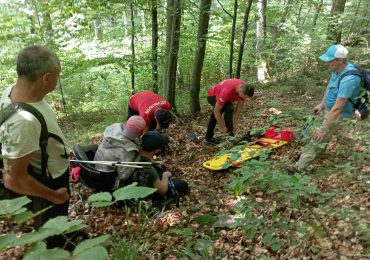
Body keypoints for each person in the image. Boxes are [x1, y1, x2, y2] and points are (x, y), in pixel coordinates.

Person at [0, 45, 74, 248]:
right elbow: (13, 179)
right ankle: (56, 248)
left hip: (52, 170)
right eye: (57, 75)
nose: (57, 80)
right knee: (50, 230)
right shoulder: (23, 122)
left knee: (58, 224)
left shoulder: (13, 92)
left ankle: (63, 239)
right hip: (48, 184)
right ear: (46, 79)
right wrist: (54, 196)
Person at [289, 44, 361, 172]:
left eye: (329, 60)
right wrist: (322, 104)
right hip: (330, 110)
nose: (326, 63)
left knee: (318, 137)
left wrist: (323, 128)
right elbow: (330, 86)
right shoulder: (336, 70)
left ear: (340, 60)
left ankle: (298, 168)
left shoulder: (350, 79)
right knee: (342, 138)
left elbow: (338, 108)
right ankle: (350, 158)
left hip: (340, 114)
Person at [128, 131, 189, 199]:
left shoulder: (135, 151)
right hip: (148, 191)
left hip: (136, 184)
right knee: (183, 185)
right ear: (156, 150)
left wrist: (155, 161)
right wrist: (165, 175)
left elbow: (149, 156)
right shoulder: (149, 169)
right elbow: (163, 190)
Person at [94, 115, 146, 189]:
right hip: (106, 178)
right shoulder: (128, 150)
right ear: (141, 133)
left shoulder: (114, 128)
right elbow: (123, 176)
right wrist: (137, 157)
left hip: (96, 165)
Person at [205, 78, 255, 144]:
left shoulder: (245, 88)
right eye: (245, 97)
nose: (246, 98)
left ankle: (229, 135)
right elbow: (216, 111)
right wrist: (222, 126)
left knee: (227, 108)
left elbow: (237, 111)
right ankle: (228, 135)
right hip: (212, 95)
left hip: (226, 97)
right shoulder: (226, 91)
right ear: (240, 91)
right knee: (228, 108)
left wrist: (234, 124)